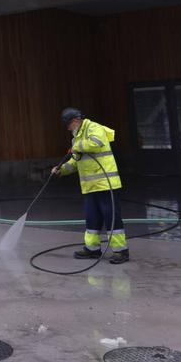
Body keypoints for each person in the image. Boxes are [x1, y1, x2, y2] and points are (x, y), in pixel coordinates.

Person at [51, 108, 128, 264]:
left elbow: (97, 142)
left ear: (75, 121)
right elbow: (75, 162)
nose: (67, 128)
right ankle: (92, 249)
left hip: (106, 185)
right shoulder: (76, 138)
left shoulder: (93, 128)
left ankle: (120, 251)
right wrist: (61, 170)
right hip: (90, 186)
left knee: (111, 218)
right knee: (92, 218)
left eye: (68, 124)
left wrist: (77, 146)